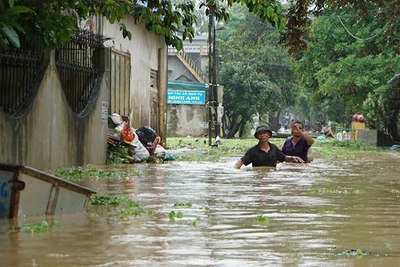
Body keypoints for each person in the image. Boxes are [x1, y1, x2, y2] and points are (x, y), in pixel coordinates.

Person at [234, 125, 305, 169]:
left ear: (269, 135)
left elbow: (283, 158)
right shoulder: (252, 151)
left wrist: (293, 158)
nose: (262, 136)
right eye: (260, 134)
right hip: (258, 177)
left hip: (271, 176)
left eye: (264, 133)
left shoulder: (274, 148)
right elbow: (239, 163)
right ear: (257, 137)